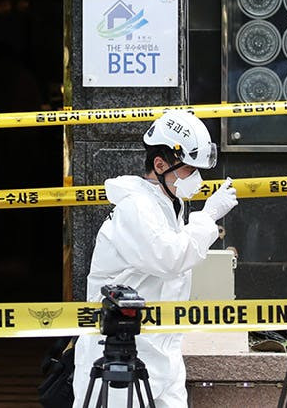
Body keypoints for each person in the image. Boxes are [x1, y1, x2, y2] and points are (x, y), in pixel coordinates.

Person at [72, 110, 239, 408]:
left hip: (161, 350)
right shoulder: (136, 208)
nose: (197, 178)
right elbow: (169, 258)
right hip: (120, 353)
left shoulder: (167, 205)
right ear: (160, 165)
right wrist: (208, 216)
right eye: (189, 169)